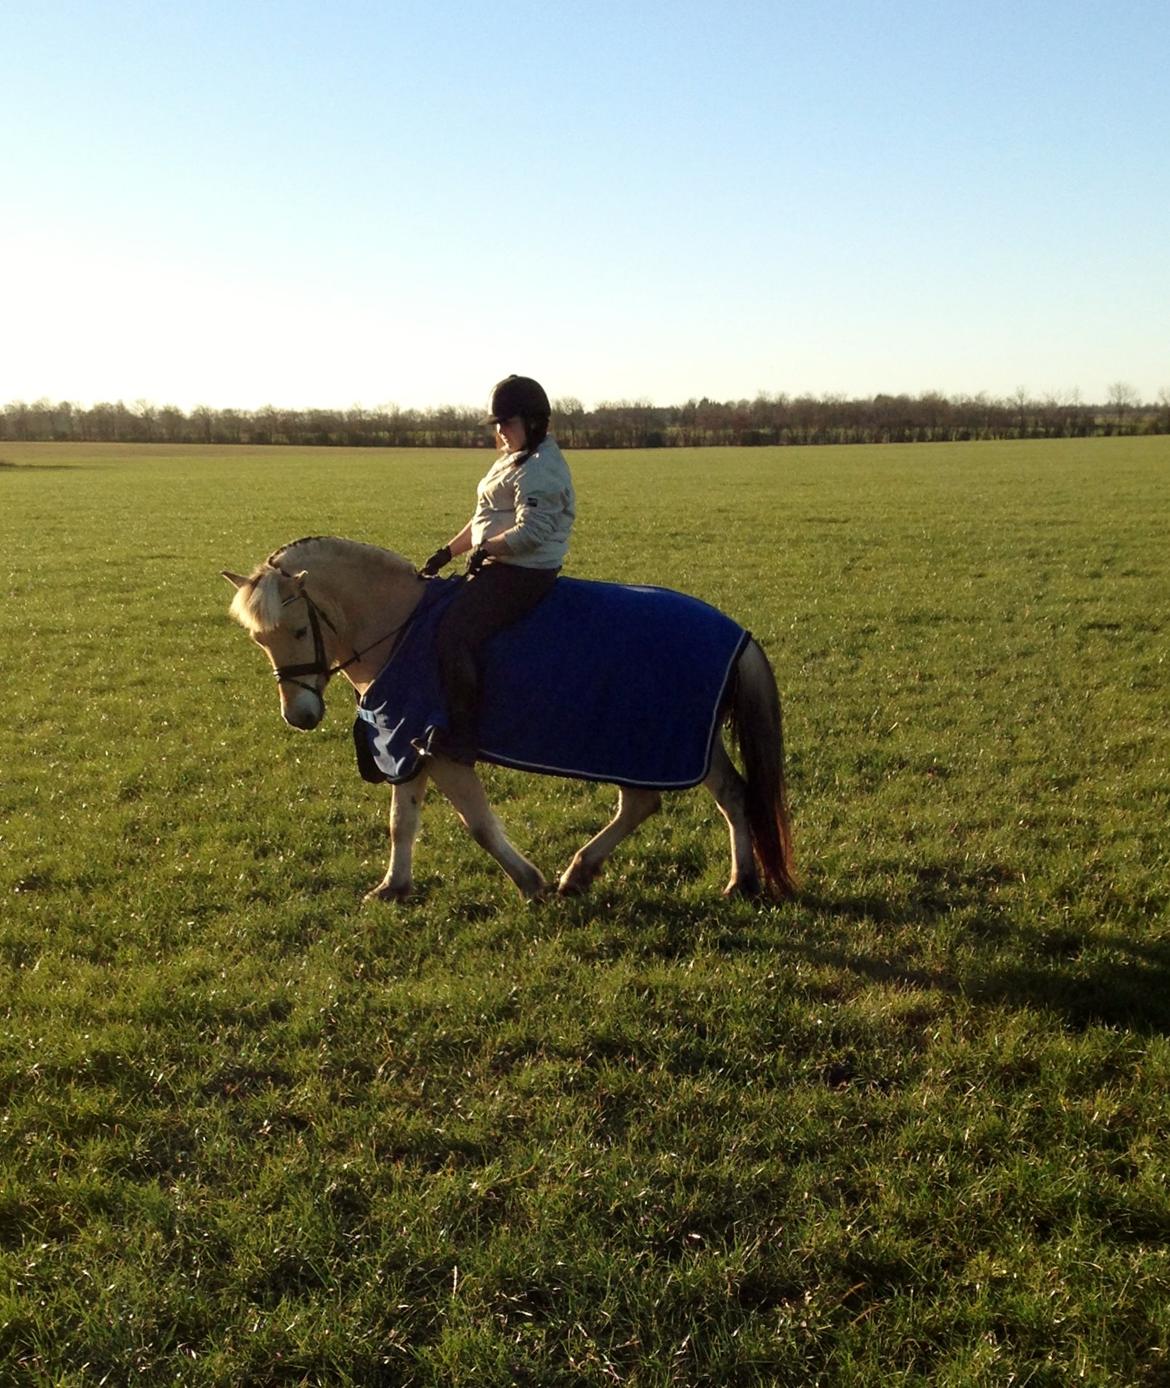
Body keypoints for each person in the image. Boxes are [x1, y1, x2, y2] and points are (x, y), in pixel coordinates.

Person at [418, 374, 576, 764]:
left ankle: (464, 736)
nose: (501, 431)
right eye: (498, 424)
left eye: (507, 423)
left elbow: (533, 532)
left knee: (454, 633)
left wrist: (487, 549)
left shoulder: (542, 467)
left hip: (523, 572)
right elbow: (484, 518)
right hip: (497, 564)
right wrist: (447, 553)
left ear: (534, 423)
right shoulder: (511, 461)